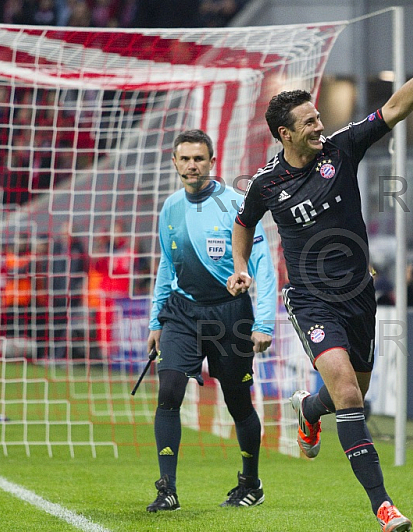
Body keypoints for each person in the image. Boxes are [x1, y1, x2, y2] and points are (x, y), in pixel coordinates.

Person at [227, 22, 413, 532]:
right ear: (284, 134)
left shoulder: (342, 148)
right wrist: (242, 266)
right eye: (309, 123)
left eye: (318, 118)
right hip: (311, 300)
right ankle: (383, 505)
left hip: (360, 296)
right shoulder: (266, 184)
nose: (319, 126)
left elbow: (395, 108)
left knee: (346, 396)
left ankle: (309, 412)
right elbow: (243, 224)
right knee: (351, 398)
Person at [145, 129, 276, 512]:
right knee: (169, 391)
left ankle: (250, 483)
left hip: (230, 315)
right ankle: (166, 490)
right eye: (184, 159)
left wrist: (264, 323)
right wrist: (156, 321)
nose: (191, 165)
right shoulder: (169, 208)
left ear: (212, 162)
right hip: (182, 313)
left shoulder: (237, 206)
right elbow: (166, 266)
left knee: (238, 403)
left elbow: (263, 267)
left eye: (198, 158)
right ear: (174, 162)